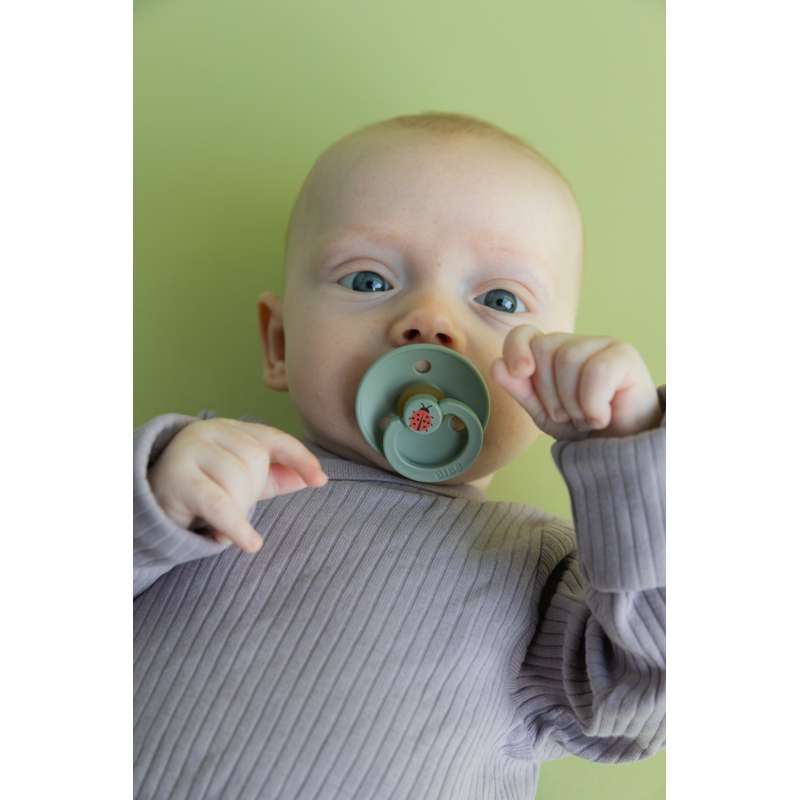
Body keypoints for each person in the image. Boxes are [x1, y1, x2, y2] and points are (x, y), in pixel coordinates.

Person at [133, 111, 665, 799]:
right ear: (280, 344)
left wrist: (629, 461)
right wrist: (152, 506)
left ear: (554, 367)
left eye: (500, 299)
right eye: (368, 280)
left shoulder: (548, 575)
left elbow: (644, 703)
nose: (431, 320)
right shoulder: (206, 481)